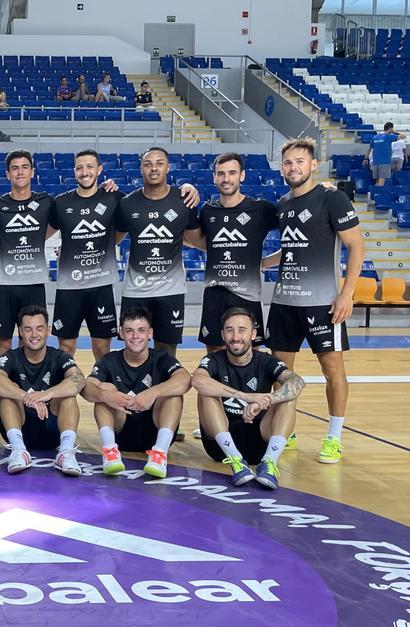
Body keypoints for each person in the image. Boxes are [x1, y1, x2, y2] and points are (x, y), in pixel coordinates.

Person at [267, 138, 364, 464]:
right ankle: (286, 430)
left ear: (313, 165)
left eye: (299, 161)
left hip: (322, 302)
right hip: (284, 301)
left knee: (332, 368)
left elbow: (356, 246)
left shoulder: (332, 198)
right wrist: (263, 263)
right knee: (281, 373)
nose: (293, 167)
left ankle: (334, 437)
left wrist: (346, 293)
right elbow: (292, 248)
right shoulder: (282, 204)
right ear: (282, 168)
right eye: (288, 163)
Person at [193, 308, 306, 490]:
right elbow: (197, 380)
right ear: (222, 335)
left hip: (259, 442)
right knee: (205, 391)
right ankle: (237, 461)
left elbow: (297, 381)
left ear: (253, 334)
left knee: (288, 397)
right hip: (220, 446)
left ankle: (269, 463)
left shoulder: (266, 361)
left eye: (242, 330)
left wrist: (268, 399)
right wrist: (246, 396)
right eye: (229, 330)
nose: (235, 336)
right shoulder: (214, 360)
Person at [81, 308, 191, 478]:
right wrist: (106, 396)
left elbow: (185, 380)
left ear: (150, 333)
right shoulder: (109, 360)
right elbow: (87, 388)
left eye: (141, 330)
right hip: (121, 430)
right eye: (129, 331)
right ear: (121, 334)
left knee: (173, 394)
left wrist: (153, 393)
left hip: (154, 430)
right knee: (104, 390)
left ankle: (159, 454)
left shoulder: (162, 358)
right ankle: (110, 451)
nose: (135, 336)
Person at [187, 152, 280, 352]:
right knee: (214, 356)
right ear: (214, 177)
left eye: (232, 173)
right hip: (214, 294)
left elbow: (296, 232)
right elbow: (197, 241)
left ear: (242, 176)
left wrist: (265, 262)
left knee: (251, 356)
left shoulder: (261, 209)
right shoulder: (207, 211)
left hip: (247, 296)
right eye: (221, 173)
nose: (226, 179)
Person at [115, 147, 199, 357]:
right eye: (148, 164)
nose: (154, 168)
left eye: (159, 163)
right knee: (133, 347)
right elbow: (113, 240)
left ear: (168, 167)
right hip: (136, 290)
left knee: (167, 351)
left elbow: (195, 240)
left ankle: (165, 390)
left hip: (170, 290)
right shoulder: (127, 203)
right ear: (141, 169)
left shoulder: (184, 200)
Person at [0, 305, 85, 476]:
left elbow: (79, 379)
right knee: (7, 396)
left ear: (48, 330)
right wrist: (26, 397)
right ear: (20, 331)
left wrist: (47, 394)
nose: (34, 335)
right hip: (20, 427)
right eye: (28, 329)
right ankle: (19, 450)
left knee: (68, 396)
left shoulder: (59, 356)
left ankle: (65, 452)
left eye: (39, 329)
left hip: (52, 430)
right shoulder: (11, 357)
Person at [51, 150, 123, 361]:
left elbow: (126, 226)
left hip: (100, 286)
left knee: (102, 349)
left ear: (99, 170)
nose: (85, 172)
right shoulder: (61, 202)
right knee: (65, 348)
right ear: (74, 171)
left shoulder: (113, 198)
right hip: (68, 287)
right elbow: (43, 232)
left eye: (90, 166)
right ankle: (62, 392)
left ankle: (103, 391)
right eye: (80, 167)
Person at [0, 149, 53, 367]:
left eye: (25, 167)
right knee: (2, 344)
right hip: (3, 284)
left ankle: (30, 390)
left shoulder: (45, 202)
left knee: (32, 342)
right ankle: (4, 393)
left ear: (32, 172)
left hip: (33, 284)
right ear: (7, 174)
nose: (20, 172)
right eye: (14, 168)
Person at [365, 122, 401, 186]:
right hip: (385, 162)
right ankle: (379, 193)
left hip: (375, 162)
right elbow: (404, 136)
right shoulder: (388, 137)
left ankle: (375, 193)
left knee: (377, 180)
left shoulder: (375, 137)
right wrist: (395, 132)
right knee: (382, 180)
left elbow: (369, 149)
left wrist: (366, 158)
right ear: (390, 129)